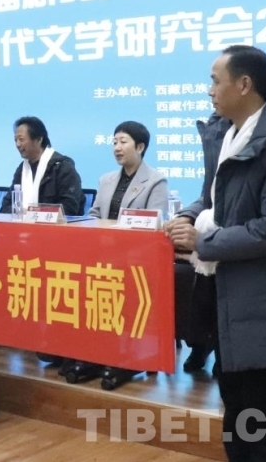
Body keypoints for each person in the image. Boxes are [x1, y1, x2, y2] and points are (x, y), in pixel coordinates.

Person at [164, 45, 266, 462]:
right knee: (237, 403)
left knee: (263, 407)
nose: (209, 90)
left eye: (215, 80)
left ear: (244, 84)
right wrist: (187, 216)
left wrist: (202, 242)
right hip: (228, 290)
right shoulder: (227, 135)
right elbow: (213, 199)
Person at [63, 121, 168, 384]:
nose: (117, 148)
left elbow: (155, 224)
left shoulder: (156, 181)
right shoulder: (106, 179)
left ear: (140, 147)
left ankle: (126, 357)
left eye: (123, 142)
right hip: (104, 256)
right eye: (114, 142)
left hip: (136, 260)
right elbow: (94, 214)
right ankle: (95, 352)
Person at [0, 116, 85, 216]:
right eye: (15, 140)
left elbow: (69, 208)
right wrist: (26, 213)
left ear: (39, 139)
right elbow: (5, 207)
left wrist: (33, 213)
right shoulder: (22, 169)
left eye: (21, 139)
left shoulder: (62, 167)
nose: (18, 144)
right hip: (23, 225)